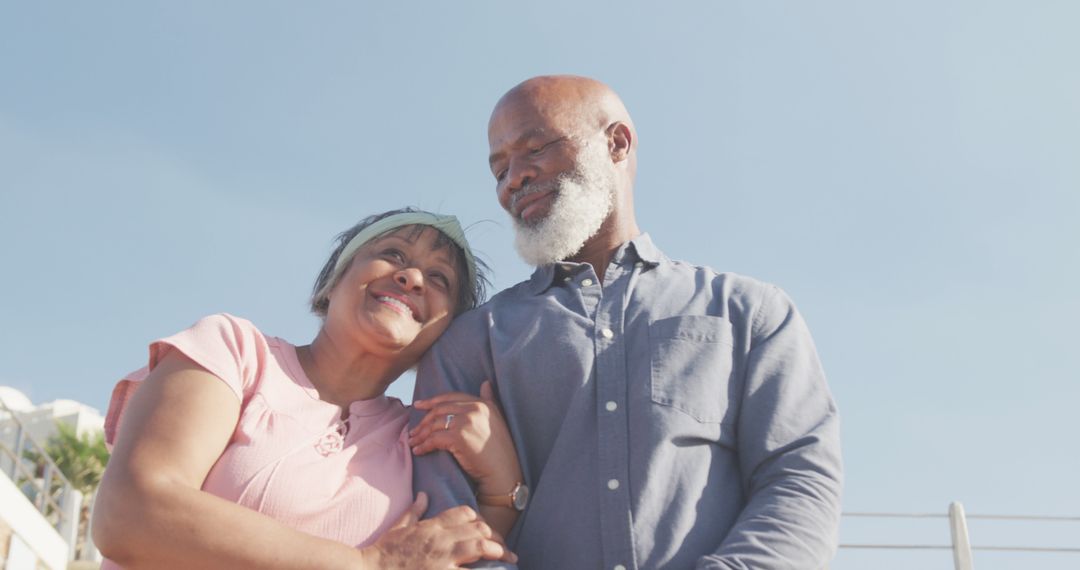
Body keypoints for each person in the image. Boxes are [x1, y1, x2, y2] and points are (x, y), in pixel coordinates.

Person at [410, 76, 843, 569]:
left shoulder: (750, 312)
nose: (513, 178)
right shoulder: (470, 342)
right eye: (500, 168)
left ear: (616, 143)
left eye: (534, 149)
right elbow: (443, 519)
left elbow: (799, 479)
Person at [93, 208, 523, 569]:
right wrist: (366, 563)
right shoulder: (236, 351)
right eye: (392, 254)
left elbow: (450, 554)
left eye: (439, 279)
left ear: (445, 332)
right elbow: (128, 512)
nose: (412, 278)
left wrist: (503, 488)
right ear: (333, 281)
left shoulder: (419, 441)